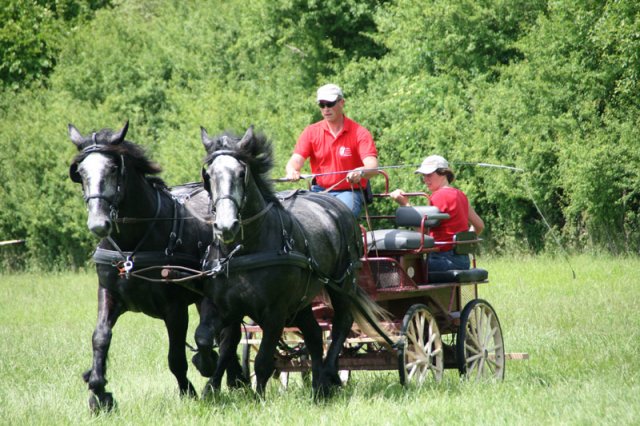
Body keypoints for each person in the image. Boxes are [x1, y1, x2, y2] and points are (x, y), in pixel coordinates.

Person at [285, 83, 378, 217]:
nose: (326, 109)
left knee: (340, 215)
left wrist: (360, 171)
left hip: (349, 191)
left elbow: (372, 166)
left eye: (330, 103)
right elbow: (295, 161)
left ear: (341, 102)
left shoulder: (360, 133)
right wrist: (292, 171)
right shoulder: (311, 132)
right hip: (319, 191)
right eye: (322, 105)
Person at [389, 155, 484, 271]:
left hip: (442, 260)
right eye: (423, 175)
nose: (425, 179)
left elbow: (422, 233)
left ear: (444, 173)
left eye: (429, 175)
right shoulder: (461, 195)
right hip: (463, 261)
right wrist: (463, 246)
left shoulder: (439, 196)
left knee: (399, 269)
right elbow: (479, 225)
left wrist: (405, 204)